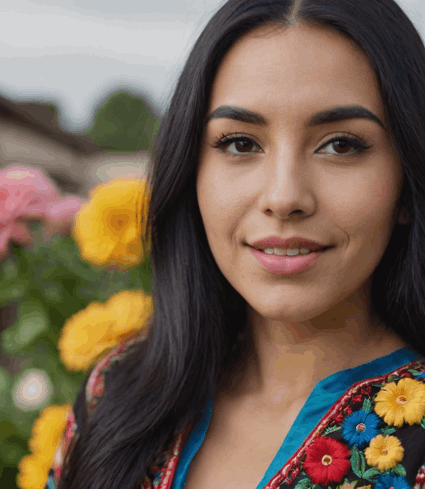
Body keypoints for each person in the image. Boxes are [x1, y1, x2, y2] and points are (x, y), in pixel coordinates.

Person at [49, 0, 425, 488]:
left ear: (408, 185)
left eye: (341, 144)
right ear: (191, 173)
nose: (284, 196)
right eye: (240, 144)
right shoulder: (116, 392)